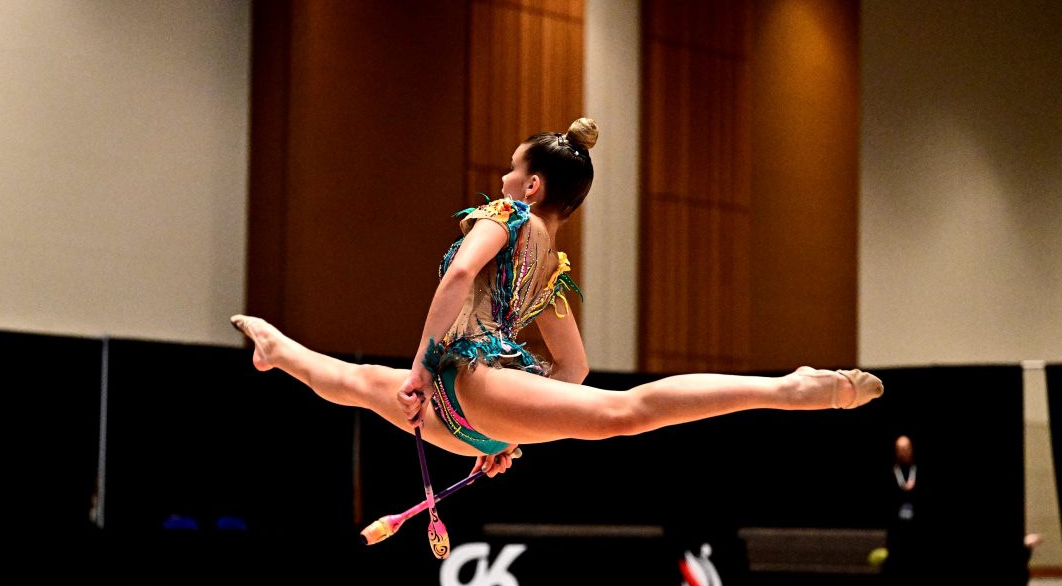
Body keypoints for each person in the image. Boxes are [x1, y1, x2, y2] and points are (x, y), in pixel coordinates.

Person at [230, 118, 884, 482]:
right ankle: (274, 345)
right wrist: (518, 423)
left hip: (462, 387)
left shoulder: (505, 216)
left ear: (534, 186)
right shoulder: (553, 269)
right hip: (480, 418)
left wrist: (428, 371)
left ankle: (786, 388)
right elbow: (571, 372)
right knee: (350, 378)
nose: (504, 178)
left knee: (355, 381)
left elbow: (458, 278)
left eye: (513, 170)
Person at [886, 434, 921, 586]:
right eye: (900, 449)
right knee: (895, 564)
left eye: (906, 448)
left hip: (914, 526)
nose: (903, 452)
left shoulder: (918, 470)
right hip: (896, 527)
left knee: (913, 564)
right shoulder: (892, 471)